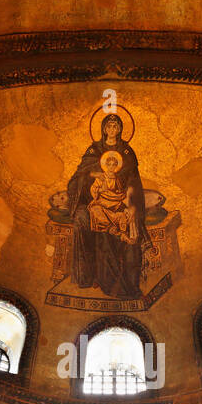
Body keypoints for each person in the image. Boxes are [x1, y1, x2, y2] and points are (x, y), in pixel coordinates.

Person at [66, 113, 151, 299]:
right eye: (109, 126)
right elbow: (78, 178)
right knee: (82, 219)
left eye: (116, 126)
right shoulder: (93, 150)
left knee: (130, 224)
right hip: (95, 202)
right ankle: (87, 276)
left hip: (121, 201)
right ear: (104, 129)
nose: (112, 130)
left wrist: (131, 204)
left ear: (120, 129)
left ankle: (129, 284)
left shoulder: (127, 152)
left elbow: (134, 182)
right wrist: (96, 176)